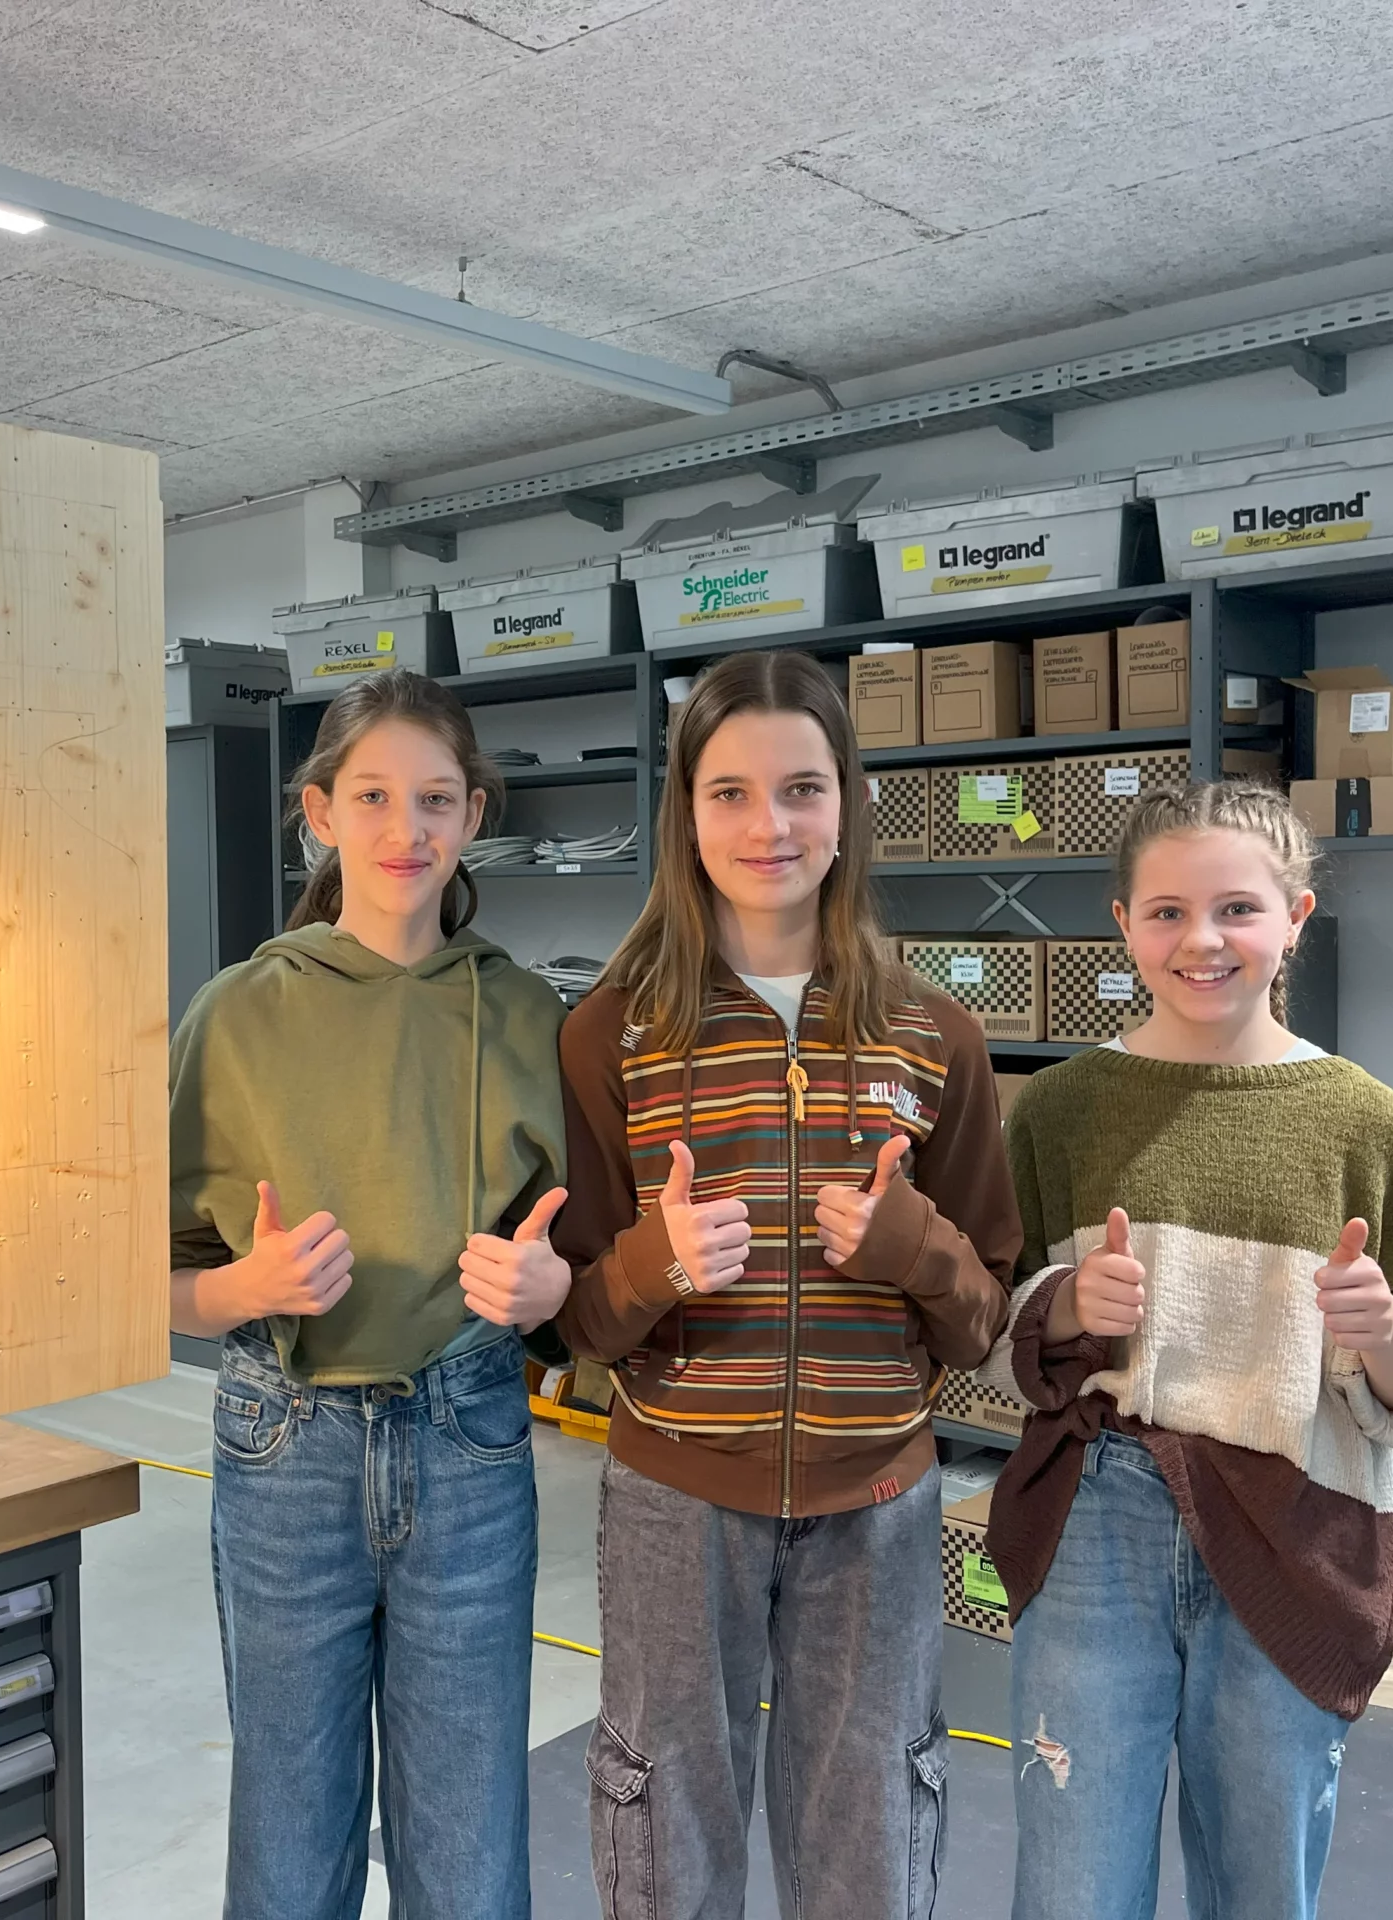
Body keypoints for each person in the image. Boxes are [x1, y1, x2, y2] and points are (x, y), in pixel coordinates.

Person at [556, 649, 1020, 1919]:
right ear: (685, 812)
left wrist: (910, 1245)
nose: (770, 826)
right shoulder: (613, 1035)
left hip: (876, 1507)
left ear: (846, 803)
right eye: (730, 792)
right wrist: (651, 1264)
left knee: (867, 1828)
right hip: (671, 1503)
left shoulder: (936, 1034)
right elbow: (576, 1321)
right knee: (667, 1825)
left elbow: (983, 1319)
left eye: (802, 789)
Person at [983, 779, 1393, 1920]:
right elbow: (998, 1321)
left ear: (1295, 918)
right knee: (1071, 1870)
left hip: (1296, 1518)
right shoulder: (1059, 1111)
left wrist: (1388, 1328)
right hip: (1095, 1517)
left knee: (1262, 1869)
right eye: (1164, 911)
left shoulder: (1365, 1118)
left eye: (1236, 911)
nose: (1199, 940)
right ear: (1120, 924)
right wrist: (1065, 1305)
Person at [169, 668, 572, 1920]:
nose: (409, 829)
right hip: (284, 1441)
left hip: (468, 1439)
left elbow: (572, 1276)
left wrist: (545, 1286)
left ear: (474, 816)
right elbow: (152, 1285)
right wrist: (240, 1284)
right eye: (377, 796)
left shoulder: (522, 1010)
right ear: (319, 812)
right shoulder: (233, 1016)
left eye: (438, 799)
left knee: (467, 1836)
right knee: (291, 1833)